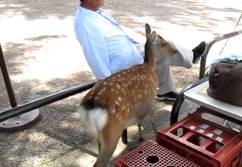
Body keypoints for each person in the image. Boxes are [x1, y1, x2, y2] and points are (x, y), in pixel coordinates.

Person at [74, 0, 207, 101]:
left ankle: (165, 90)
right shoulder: (85, 23)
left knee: (159, 44)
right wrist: (110, 87)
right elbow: (95, 57)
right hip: (123, 67)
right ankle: (191, 57)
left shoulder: (97, 11)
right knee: (161, 51)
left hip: (131, 51)